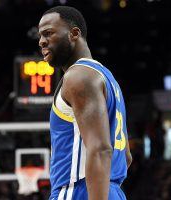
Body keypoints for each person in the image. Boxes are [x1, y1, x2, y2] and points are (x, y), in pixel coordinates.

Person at [38, 6, 132, 200]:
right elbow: (126, 157)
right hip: (110, 191)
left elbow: (100, 149)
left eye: (48, 33)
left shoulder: (79, 77)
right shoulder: (107, 78)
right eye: (40, 36)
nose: (41, 41)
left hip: (79, 191)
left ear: (74, 34)